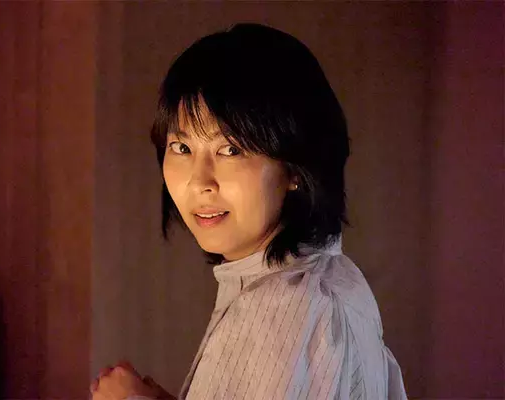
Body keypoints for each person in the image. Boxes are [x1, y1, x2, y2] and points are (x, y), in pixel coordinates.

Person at [91, 23, 408, 400]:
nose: (199, 182)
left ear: (294, 168)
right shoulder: (335, 279)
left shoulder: (278, 310)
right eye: (182, 148)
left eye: (230, 150)